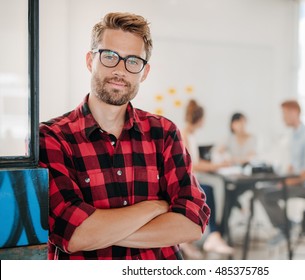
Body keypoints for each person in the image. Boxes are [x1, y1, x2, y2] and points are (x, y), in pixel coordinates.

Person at [39, 12, 210, 260]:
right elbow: (74, 234)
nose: (120, 70)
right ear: (90, 61)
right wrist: (154, 207)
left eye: (133, 61)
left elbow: (193, 221)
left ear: (145, 72)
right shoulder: (52, 138)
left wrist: (100, 230)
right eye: (109, 56)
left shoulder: (164, 133)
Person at [258, 100, 305, 232]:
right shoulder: (294, 136)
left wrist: (285, 183)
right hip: (298, 181)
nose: (282, 118)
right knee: (261, 190)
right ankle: (287, 226)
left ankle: (285, 228)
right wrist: (282, 178)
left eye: (284, 114)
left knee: (266, 195)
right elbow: (293, 166)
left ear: (294, 112)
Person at [180, 99, 234, 258]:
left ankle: (212, 236)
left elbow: (196, 160)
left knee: (214, 189)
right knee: (209, 191)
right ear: (200, 119)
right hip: (184, 184)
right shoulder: (184, 134)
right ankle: (213, 236)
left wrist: (219, 164)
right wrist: (217, 166)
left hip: (192, 180)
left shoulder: (191, 135)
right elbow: (192, 165)